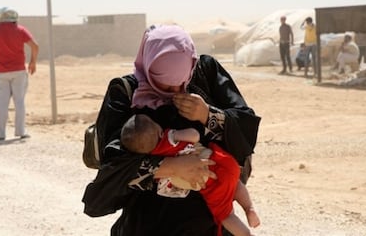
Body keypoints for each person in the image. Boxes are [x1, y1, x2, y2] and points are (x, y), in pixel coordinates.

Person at [82, 24, 261, 236]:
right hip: (147, 224)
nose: (175, 91)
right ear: (149, 68)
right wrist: (170, 167)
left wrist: (207, 115)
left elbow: (246, 130)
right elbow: (113, 166)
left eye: (181, 83)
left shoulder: (205, 74)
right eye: (165, 86)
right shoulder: (125, 93)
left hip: (209, 223)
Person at [121, 114, 260, 236]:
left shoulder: (153, 160)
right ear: (158, 131)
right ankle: (249, 207)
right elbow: (194, 135)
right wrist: (175, 134)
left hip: (211, 180)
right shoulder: (169, 137)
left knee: (225, 215)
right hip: (221, 162)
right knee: (235, 183)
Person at [0, 8, 39, 141]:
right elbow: (35, 46)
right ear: (15, 19)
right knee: (20, 102)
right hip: (19, 71)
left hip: (1, 71)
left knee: (2, 104)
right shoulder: (20, 30)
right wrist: (33, 62)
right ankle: (21, 131)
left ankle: (0, 133)